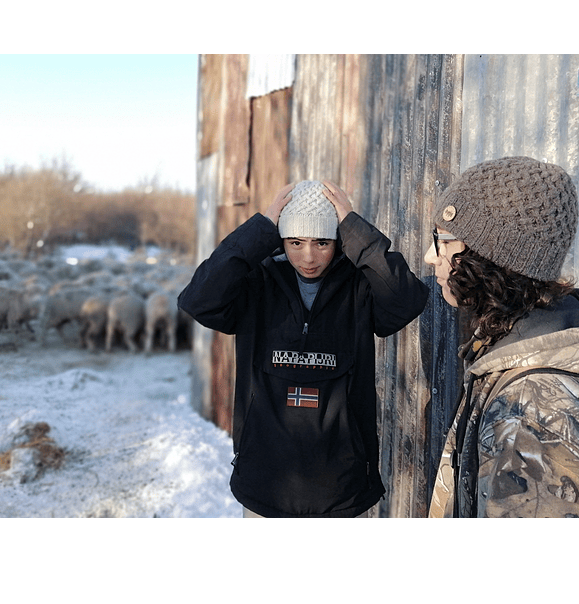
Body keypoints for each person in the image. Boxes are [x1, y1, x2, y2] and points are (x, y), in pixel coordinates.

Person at [178, 180, 429, 518]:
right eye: (295, 242)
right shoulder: (257, 283)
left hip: (341, 483)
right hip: (265, 480)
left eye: (322, 242)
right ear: (280, 239)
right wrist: (261, 229)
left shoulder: (358, 285)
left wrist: (357, 230)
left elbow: (406, 302)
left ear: (338, 240)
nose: (308, 257)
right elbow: (198, 300)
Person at [425, 156, 579, 518]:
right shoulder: (551, 343)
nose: (429, 257)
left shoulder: (531, 411)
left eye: (444, 241)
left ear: (490, 257)